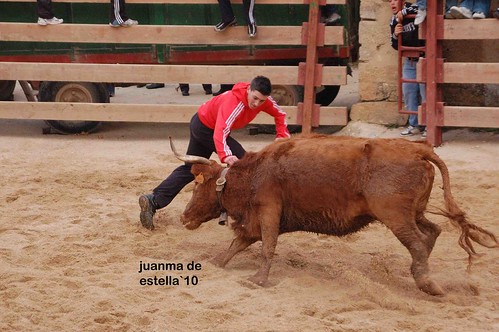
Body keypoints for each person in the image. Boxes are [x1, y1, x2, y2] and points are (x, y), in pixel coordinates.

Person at [139, 76, 290, 230]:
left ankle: (153, 200)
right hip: (204, 128)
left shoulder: (264, 100)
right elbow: (220, 132)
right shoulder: (234, 102)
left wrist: (281, 136)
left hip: (203, 123)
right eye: (255, 98)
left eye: (261, 101)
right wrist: (227, 156)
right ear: (249, 89)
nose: (257, 104)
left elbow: (280, 115)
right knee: (245, 165)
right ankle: (244, 214)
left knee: (190, 169)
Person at [389, 0, 426, 137]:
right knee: (409, 92)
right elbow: (394, 45)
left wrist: (403, 12)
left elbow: (421, 7)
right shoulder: (393, 20)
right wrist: (395, 35)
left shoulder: (412, 9)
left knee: (425, 94)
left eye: (395, 0)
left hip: (424, 58)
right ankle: (414, 125)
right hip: (409, 61)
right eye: (389, 1)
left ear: (403, 2)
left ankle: (428, 125)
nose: (392, 3)